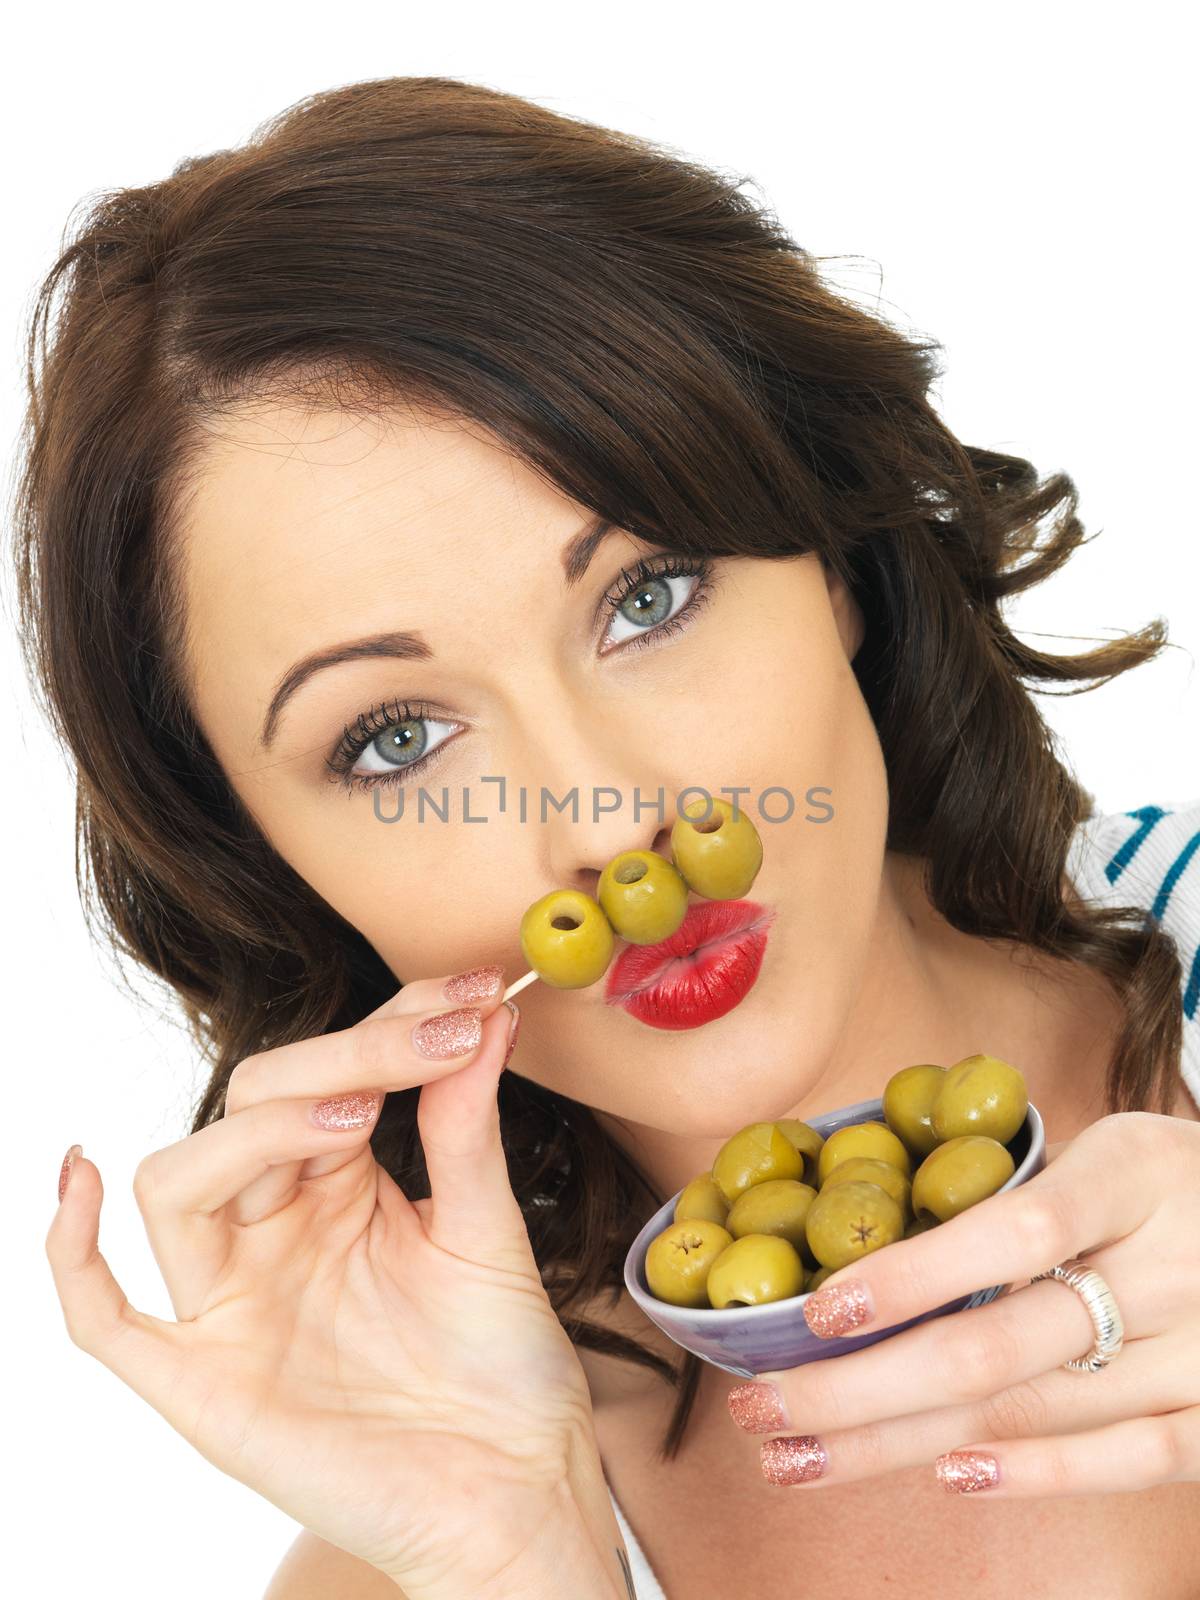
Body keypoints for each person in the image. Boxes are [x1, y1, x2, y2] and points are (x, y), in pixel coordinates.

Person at [16, 76, 1199, 1600]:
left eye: (648, 598)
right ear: (265, 864)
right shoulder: (428, 1525)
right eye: (394, 741)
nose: (610, 823)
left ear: (830, 559)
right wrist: (526, 1565)